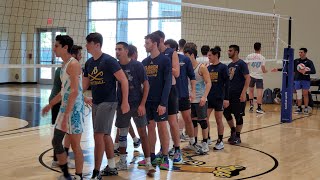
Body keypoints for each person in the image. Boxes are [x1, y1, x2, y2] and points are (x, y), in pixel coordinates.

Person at [82, 32, 130, 179]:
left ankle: (96, 172)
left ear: (97, 45)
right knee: (105, 135)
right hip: (96, 102)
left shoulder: (109, 61)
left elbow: (124, 80)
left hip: (108, 102)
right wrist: (80, 96)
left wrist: (125, 101)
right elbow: (83, 86)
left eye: (88, 43)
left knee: (98, 135)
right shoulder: (89, 63)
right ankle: (112, 167)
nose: (86, 46)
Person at [42, 35, 84, 180]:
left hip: (74, 110)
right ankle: (66, 175)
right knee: (56, 141)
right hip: (65, 108)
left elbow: (75, 91)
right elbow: (64, 91)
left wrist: (66, 115)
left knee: (75, 145)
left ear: (65, 48)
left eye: (56, 46)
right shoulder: (63, 65)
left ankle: (78, 176)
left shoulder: (73, 64)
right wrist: (51, 104)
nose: (54, 49)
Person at [114, 42, 155, 174]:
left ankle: (148, 162)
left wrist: (142, 104)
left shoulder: (137, 65)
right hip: (122, 105)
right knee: (122, 134)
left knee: (143, 132)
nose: (117, 51)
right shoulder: (115, 65)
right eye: (116, 49)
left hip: (137, 104)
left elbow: (146, 86)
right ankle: (122, 161)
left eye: (119, 49)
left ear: (126, 51)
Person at [164, 39, 203, 154]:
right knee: (173, 122)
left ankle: (192, 142)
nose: (164, 50)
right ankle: (175, 146)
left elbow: (192, 76)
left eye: (166, 47)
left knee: (188, 119)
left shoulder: (185, 59)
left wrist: (193, 92)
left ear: (172, 48)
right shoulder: (163, 60)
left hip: (183, 95)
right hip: (170, 96)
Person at [140, 33, 172, 170]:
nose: (145, 45)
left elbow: (168, 83)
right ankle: (151, 156)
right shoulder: (144, 62)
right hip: (148, 102)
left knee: (162, 128)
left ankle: (165, 156)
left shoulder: (165, 60)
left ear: (155, 43)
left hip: (160, 101)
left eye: (147, 43)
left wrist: (163, 103)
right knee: (150, 128)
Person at [152, 30, 182, 164]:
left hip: (170, 90)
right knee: (160, 124)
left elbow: (177, 73)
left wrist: (165, 66)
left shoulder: (171, 53)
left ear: (162, 40)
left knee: (172, 121)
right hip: (158, 92)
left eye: (156, 41)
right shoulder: (153, 55)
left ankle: (177, 150)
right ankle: (163, 149)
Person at [184, 47, 212, 153]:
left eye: (186, 55)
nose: (184, 58)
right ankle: (194, 143)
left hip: (200, 99)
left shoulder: (202, 67)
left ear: (192, 55)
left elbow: (209, 83)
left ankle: (205, 142)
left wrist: (204, 97)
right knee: (193, 122)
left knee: (203, 122)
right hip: (190, 99)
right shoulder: (186, 68)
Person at [224, 45, 250, 145]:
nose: (228, 52)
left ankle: (238, 136)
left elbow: (248, 78)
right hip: (229, 94)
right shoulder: (229, 65)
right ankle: (233, 130)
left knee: (238, 116)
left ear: (236, 52)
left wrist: (243, 93)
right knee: (226, 113)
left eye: (230, 50)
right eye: (228, 50)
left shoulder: (242, 64)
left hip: (238, 94)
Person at [207, 46, 229, 150]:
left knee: (218, 119)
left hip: (219, 98)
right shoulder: (208, 68)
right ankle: (207, 138)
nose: (208, 57)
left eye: (210, 55)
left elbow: (227, 84)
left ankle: (220, 141)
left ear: (216, 55)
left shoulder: (223, 67)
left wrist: (226, 98)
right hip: (209, 97)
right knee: (204, 118)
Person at [292, 48, 316, 114]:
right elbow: (290, 68)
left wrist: (305, 71)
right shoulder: (296, 61)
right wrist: (278, 69)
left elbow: (313, 71)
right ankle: (299, 108)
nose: (300, 53)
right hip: (297, 79)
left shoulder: (309, 62)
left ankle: (306, 108)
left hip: (305, 80)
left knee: (305, 94)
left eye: (301, 52)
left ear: (305, 53)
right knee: (299, 94)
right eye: (299, 52)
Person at [246, 42, 267, 114]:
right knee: (259, 93)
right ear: (260, 48)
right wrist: (266, 71)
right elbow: (263, 69)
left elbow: (246, 65)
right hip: (259, 77)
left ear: (254, 48)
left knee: (251, 91)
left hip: (251, 76)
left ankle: (251, 106)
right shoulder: (262, 57)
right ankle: (259, 108)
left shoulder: (249, 56)